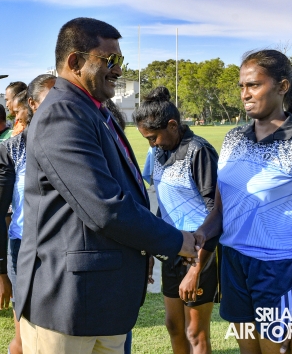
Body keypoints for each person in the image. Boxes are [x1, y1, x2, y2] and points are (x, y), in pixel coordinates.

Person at [15, 17, 196, 354]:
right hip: (67, 304)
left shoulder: (94, 111)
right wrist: (178, 241)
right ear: (75, 62)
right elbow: (105, 207)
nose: (118, 70)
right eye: (110, 60)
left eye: (120, 60)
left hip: (100, 299)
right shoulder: (61, 114)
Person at [194, 49, 292, 354]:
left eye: (254, 85)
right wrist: (198, 239)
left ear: (283, 86)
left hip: (277, 271)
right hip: (234, 265)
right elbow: (220, 211)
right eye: (242, 86)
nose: (245, 94)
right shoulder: (232, 139)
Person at [134, 86, 219, 354]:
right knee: (173, 325)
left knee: (195, 332)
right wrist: (152, 248)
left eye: (153, 137)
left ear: (172, 125)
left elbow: (217, 213)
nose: (152, 144)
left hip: (199, 252)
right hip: (171, 247)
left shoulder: (199, 151)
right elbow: (162, 205)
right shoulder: (156, 154)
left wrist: (196, 268)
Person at [0, 74, 55, 354]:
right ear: (32, 106)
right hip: (23, 247)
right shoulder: (12, 149)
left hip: (61, 248)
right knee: (23, 336)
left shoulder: (74, 145)